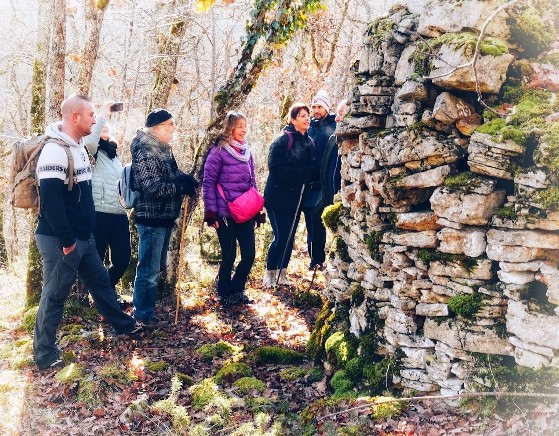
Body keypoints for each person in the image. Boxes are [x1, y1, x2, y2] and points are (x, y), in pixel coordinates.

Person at [33, 95, 147, 370]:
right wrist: (68, 242)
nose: (95, 120)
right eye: (91, 115)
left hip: (84, 238)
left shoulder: (79, 145)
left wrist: (83, 236)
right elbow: (51, 203)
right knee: (55, 294)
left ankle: (124, 325)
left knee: (101, 283)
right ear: (75, 117)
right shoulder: (54, 151)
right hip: (60, 240)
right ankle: (45, 354)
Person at [131, 108, 198, 327]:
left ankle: (147, 311)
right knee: (148, 270)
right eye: (170, 124)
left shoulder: (163, 149)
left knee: (155, 267)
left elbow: (171, 174)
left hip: (164, 217)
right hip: (151, 217)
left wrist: (185, 179)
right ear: (158, 127)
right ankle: (142, 315)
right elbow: (151, 187)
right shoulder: (144, 150)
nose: (173, 128)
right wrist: (179, 187)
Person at [203, 111, 265, 307]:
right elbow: (208, 183)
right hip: (224, 214)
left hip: (245, 212)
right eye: (239, 126)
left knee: (249, 255)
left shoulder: (247, 152)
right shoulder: (218, 152)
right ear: (229, 128)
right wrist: (211, 213)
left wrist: (256, 210)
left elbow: (252, 181)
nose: (243, 130)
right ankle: (224, 293)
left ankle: (237, 289)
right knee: (229, 255)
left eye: (245, 126)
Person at [263, 102, 318, 288]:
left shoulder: (309, 142)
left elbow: (312, 169)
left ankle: (282, 273)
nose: (307, 118)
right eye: (302, 115)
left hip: (296, 199)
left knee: (290, 238)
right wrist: (301, 173)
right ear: (293, 119)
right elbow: (275, 168)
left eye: (307, 115)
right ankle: (269, 274)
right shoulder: (283, 140)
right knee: (281, 236)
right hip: (277, 198)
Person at [84, 102, 131, 308]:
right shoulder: (92, 152)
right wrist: (103, 115)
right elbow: (90, 141)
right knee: (97, 261)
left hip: (119, 214)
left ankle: (104, 293)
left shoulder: (114, 154)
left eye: (106, 126)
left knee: (122, 259)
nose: (104, 128)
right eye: (100, 126)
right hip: (99, 214)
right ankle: (103, 299)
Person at [306, 90, 337, 270]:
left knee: (321, 220)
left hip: (326, 182)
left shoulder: (334, 125)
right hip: (310, 184)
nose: (316, 110)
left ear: (326, 107)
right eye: (314, 107)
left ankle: (323, 259)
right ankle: (315, 259)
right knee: (311, 222)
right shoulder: (310, 127)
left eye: (319, 107)